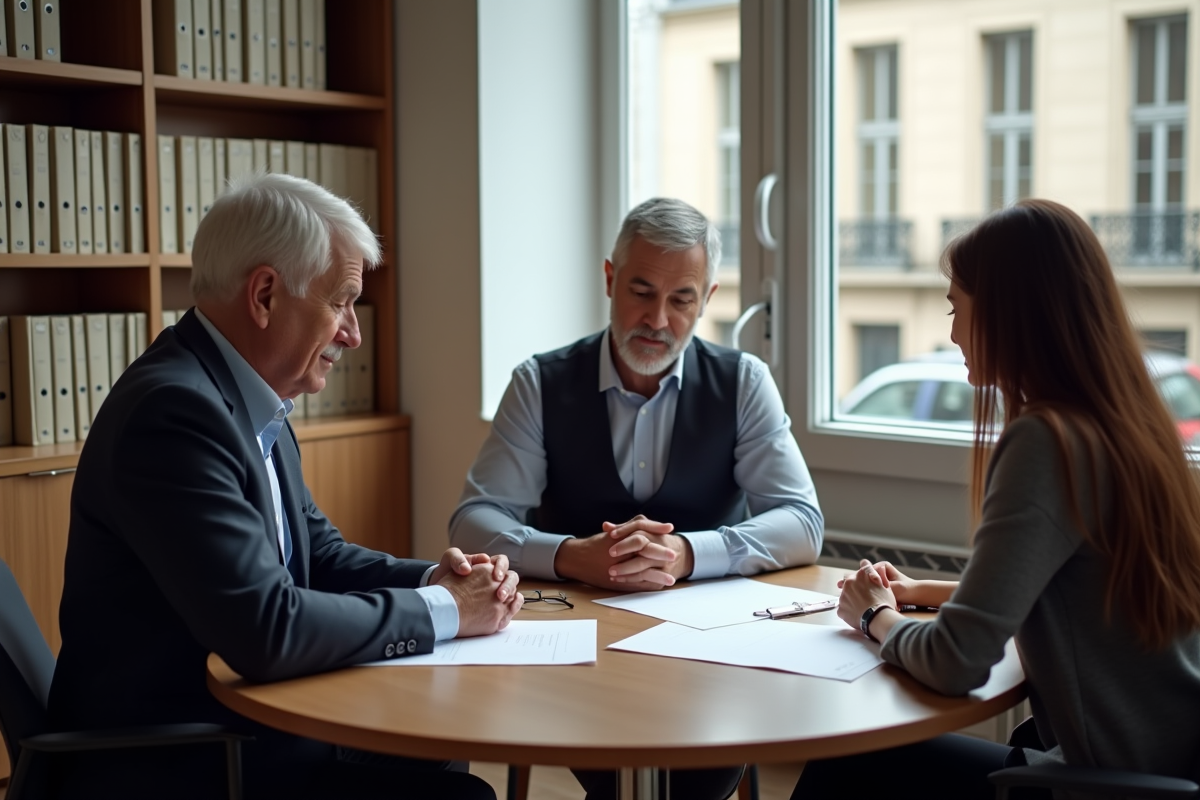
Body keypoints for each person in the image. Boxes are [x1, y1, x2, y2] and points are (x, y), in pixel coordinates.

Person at [48, 173, 523, 800]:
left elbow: (317, 555)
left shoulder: (243, 395)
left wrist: (439, 581)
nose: (353, 333)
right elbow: (266, 628)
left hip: (244, 725)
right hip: (183, 760)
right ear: (266, 295)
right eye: (341, 302)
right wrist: (447, 611)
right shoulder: (175, 414)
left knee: (437, 746)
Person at [793, 199, 1200, 799]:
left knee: (844, 758)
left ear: (1008, 313)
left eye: (956, 308)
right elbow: (1071, 587)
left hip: (1108, 783)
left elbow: (956, 662)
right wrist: (921, 591)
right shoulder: (1127, 423)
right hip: (1168, 761)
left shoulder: (1048, 441)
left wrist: (874, 616)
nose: (953, 332)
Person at [451, 197, 824, 800]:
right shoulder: (540, 382)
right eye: (642, 291)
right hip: (576, 647)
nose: (657, 319)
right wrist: (570, 555)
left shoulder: (744, 382)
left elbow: (803, 522)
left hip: (708, 651)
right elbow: (473, 521)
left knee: (697, 772)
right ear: (609, 278)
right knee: (614, 758)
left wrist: (687, 554)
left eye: (681, 300)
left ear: (707, 299)